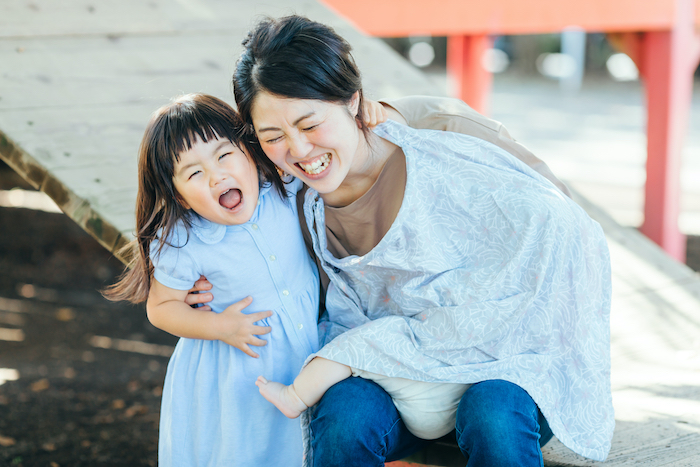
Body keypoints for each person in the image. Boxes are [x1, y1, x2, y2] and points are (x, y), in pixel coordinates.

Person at [226, 14, 615, 467]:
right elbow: (215, 203)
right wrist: (194, 283)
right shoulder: (291, 200)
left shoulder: (436, 145)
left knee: (494, 415)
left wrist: (407, 110)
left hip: (503, 365)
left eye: (310, 124)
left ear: (353, 100)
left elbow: (557, 220)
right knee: (343, 414)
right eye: (274, 136)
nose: (299, 150)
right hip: (391, 377)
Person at [103, 93, 330, 466]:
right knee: (248, 451)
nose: (216, 175)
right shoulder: (186, 240)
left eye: (224, 155)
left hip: (303, 352)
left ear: (250, 153)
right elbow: (161, 309)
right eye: (194, 173)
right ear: (182, 198)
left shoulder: (282, 189)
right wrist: (219, 325)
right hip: (239, 373)